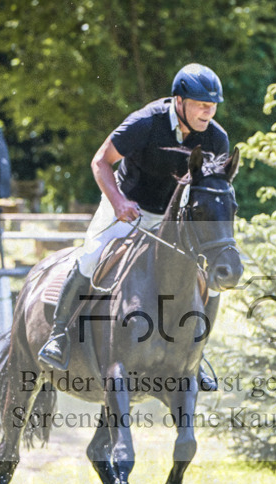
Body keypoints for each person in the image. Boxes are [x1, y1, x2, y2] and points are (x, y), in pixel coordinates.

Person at [38, 63, 229, 391]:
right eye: (201, 104)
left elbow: (211, 191)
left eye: (212, 105)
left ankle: (195, 357)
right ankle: (59, 336)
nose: (208, 112)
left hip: (171, 219)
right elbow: (100, 161)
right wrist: (117, 202)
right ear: (179, 101)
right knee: (91, 255)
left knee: (210, 281)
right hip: (126, 205)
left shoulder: (216, 138)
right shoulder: (146, 123)